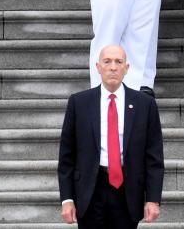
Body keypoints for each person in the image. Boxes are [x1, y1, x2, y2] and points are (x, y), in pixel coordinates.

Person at [58, 44, 164, 228]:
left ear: (127, 68)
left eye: (118, 62)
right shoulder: (79, 103)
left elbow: (154, 156)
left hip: (128, 191)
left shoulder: (144, 105)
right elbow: (67, 155)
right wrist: (67, 198)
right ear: (98, 67)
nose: (113, 67)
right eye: (107, 61)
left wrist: (153, 199)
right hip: (90, 190)